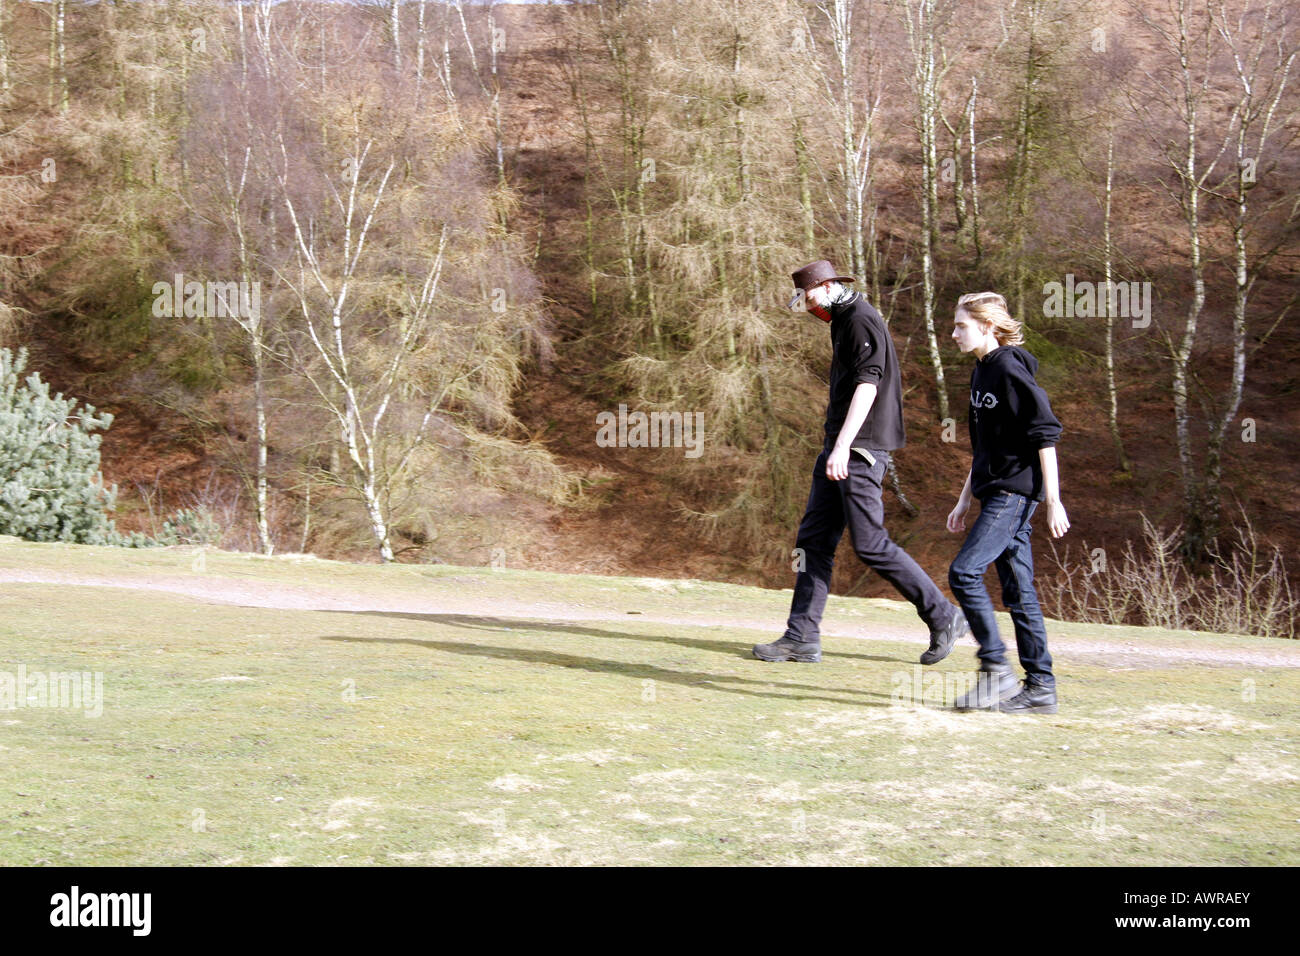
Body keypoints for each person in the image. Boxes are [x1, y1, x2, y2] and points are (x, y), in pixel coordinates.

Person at [753, 259, 969, 665]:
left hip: (858, 450)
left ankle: (944, 616)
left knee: (870, 545)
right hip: (839, 446)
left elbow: (867, 388)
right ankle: (801, 637)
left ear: (827, 285)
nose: (807, 305)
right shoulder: (842, 317)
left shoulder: (858, 320)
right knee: (814, 541)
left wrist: (842, 448)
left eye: (808, 296)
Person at [945, 291, 1069, 714]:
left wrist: (1053, 500)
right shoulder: (981, 371)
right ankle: (1040, 688)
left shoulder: (1009, 368)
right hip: (994, 490)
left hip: (1016, 492)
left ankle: (996, 668)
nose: (954, 333)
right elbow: (983, 449)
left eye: (962, 325)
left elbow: (1045, 433)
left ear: (988, 326)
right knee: (1019, 592)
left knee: (963, 572)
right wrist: (964, 500)